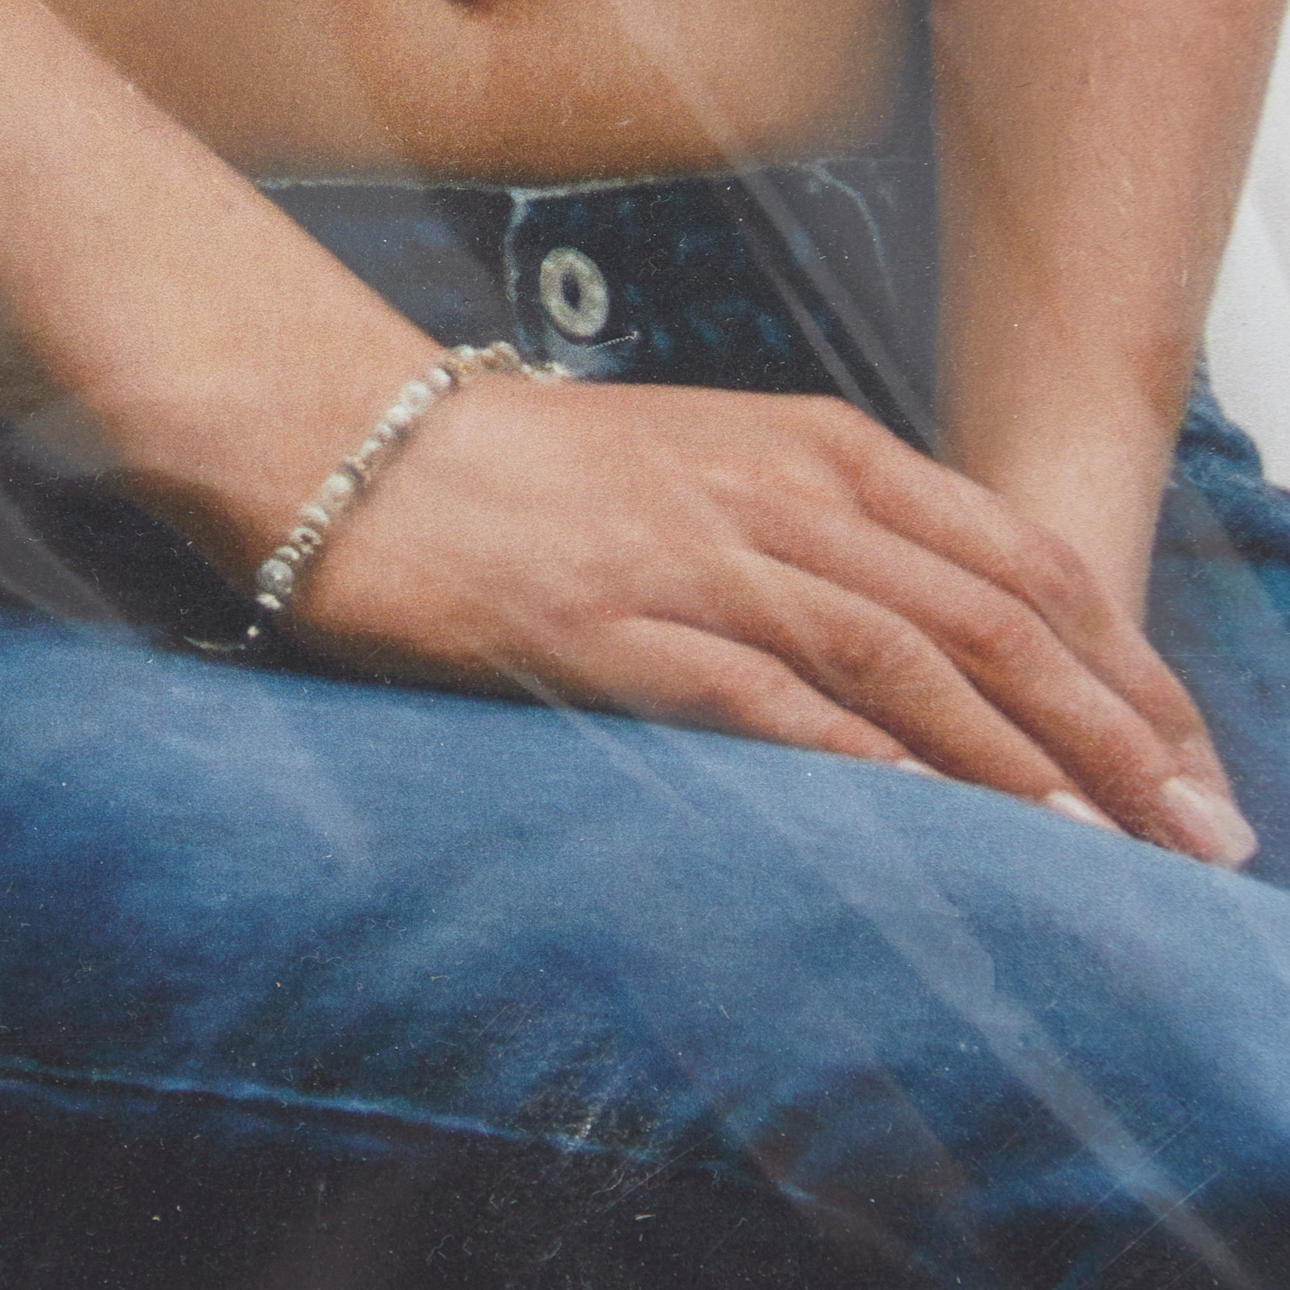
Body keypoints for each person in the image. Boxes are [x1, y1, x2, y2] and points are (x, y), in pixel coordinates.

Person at [3, 0, 1290, 1284]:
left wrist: (1041, 575)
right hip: (89, 462)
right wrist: (329, 416)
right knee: (1169, 1096)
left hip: (944, 359)